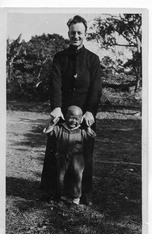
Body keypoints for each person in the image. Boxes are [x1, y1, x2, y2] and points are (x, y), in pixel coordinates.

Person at [41, 15, 102, 205]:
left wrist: (90, 111)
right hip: (62, 112)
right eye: (72, 32)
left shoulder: (93, 59)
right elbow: (55, 84)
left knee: (84, 154)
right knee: (54, 151)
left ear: (85, 34)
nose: (76, 36)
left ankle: (85, 192)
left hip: (83, 114)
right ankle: (51, 190)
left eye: (79, 33)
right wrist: (57, 108)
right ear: (68, 34)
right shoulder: (60, 58)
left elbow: (96, 88)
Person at [43, 106, 96, 205]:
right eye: (71, 117)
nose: (73, 121)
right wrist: (52, 122)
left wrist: (88, 126)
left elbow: (91, 136)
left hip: (77, 158)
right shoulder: (60, 129)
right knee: (60, 177)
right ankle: (61, 195)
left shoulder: (81, 131)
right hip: (61, 157)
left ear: (81, 120)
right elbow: (49, 132)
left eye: (77, 119)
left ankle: (76, 197)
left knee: (77, 176)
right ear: (65, 116)